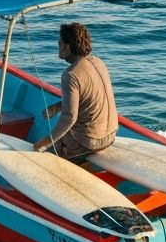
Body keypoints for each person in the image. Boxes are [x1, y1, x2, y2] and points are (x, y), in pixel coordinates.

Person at [33, 22, 117, 165]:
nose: (58, 46)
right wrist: (58, 107)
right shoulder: (98, 62)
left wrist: (44, 142)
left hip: (90, 142)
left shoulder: (70, 75)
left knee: (44, 157)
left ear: (67, 46)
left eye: (59, 42)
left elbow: (69, 117)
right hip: (110, 135)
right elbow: (89, 98)